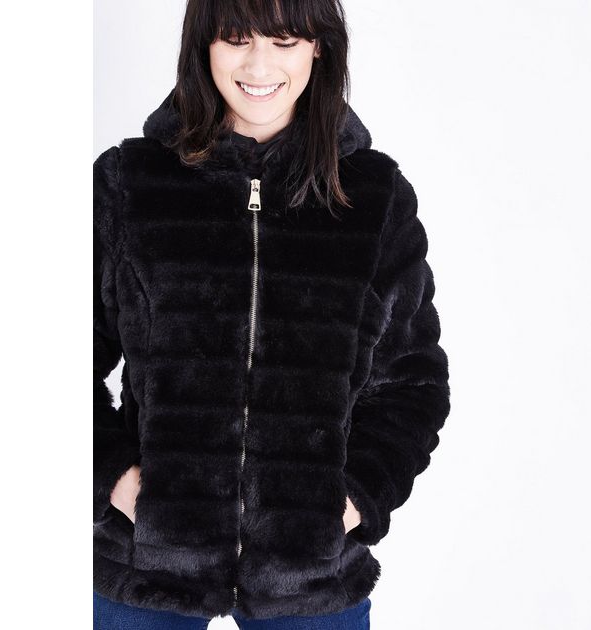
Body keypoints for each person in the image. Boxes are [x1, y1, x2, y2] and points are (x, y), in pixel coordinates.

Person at [93, 0, 450, 627]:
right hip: (145, 567)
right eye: (237, 39)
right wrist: (116, 481)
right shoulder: (129, 183)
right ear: (204, 45)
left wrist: (351, 502)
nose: (259, 66)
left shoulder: (373, 196)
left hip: (309, 576)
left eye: (284, 42)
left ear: (319, 47)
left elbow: (413, 385)